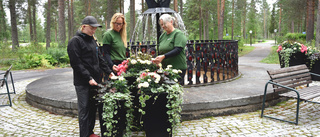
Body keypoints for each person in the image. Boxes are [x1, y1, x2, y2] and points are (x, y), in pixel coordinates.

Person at [67, 16, 114, 137]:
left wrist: (109, 72)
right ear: (83, 27)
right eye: (91, 28)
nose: (93, 31)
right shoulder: (75, 41)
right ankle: (84, 134)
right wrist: (88, 78)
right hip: (83, 82)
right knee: (84, 110)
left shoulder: (93, 40)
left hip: (96, 81)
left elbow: (100, 58)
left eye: (95, 29)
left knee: (93, 108)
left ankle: (90, 133)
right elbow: (76, 63)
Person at [153, 14, 187, 85]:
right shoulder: (162, 36)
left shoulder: (178, 34)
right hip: (166, 69)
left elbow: (177, 50)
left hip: (177, 69)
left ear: (171, 22)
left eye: (165, 24)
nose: (163, 26)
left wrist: (164, 56)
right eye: (161, 24)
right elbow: (160, 51)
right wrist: (158, 60)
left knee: (175, 90)